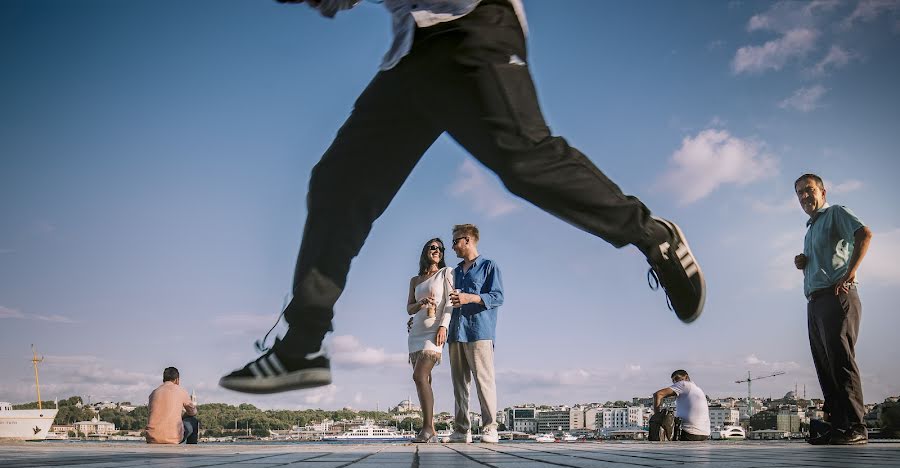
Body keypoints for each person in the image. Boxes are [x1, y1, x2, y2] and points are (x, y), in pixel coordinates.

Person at [219, 0, 706, 395]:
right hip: (411, 53)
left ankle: (651, 234)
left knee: (524, 161)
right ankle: (303, 344)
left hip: (473, 25)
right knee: (338, 184)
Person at [794, 173, 872, 445]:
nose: (804, 196)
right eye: (800, 193)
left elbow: (864, 234)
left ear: (823, 192)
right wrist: (804, 261)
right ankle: (839, 426)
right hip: (815, 301)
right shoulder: (810, 229)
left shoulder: (836, 213)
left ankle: (857, 426)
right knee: (825, 365)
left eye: (809, 190)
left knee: (841, 360)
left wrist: (850, 273)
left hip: (837, 296)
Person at [446, 224, 502, 444]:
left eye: (455, 241)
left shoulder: (489, 266)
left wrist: (471, 298)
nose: (452, 247)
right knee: (459, 384)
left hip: (479, 331)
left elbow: (497, 296)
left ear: (467, 239)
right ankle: (462, 430)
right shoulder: (454, 271)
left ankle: (490, 428)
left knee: (484, 381)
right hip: (455, 332)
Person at [406, 238, 454, 443]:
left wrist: (444, 325)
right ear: (425, 251)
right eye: (433, 247)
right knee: (424, 381)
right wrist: (420, 303)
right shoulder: (415, 280)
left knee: (419, 376)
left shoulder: (446, 272)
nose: (437, 251)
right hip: (416, 332)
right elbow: (409, 308)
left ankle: (427, 429)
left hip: (434, 331)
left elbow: (451, 301)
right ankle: (431, 429)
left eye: (440, 249)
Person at [652, 370, 710, 441]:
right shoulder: (696, 389)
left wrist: (657, 417)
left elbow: (658, 394)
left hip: (689, 432)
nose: (675, 383)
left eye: (677, 379)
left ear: (686, 377)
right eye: (673, 381)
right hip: (704, 433)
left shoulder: (684, 384)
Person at [146, 367, 200, 444]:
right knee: (193, 421)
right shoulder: (181, 390)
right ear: (177, 380)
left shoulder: (153, 393)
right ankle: (191, 451)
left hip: (151, 438)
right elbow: (193, 412)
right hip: (173, 438)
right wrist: (184, 416)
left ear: (163, 379)